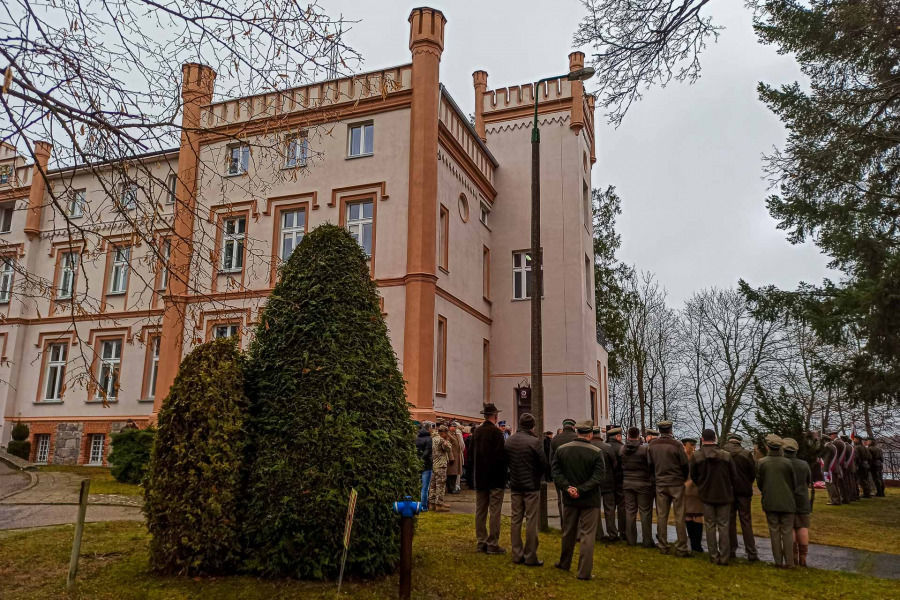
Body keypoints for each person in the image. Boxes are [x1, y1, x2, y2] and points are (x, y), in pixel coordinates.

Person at [551, 420, 605, 581]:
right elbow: (599, 476)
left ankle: (564, 563)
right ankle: (584, 571)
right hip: (590, 499)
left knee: (568, 532)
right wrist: (581, 489)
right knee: (587, 535)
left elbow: (556, 472)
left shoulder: (562, 450)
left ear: (577, 432)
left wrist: (568, 488)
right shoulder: (596, 452)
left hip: (569, 498)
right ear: (589, 434)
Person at [505, 412, 549, 567]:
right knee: (531, 520)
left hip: (516, 484)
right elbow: (543, 464)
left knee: (516, 519)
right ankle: (530, 555)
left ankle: (517, 553)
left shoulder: (509, 441)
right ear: (532, 426)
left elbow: (506, 462)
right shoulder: (535, 442)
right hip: (531, 485)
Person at [690, 429, 736, 565]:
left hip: (706, 494)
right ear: (715, 438)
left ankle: (713, 555)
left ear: (702, 439)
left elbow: (693, 475)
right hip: (724, 494)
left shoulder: (697, 456)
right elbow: (734, 476)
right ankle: (725, 557)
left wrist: (702, 485)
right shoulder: (726, 456)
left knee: (710, 525)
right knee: (723, 525)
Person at [647, 420, 690, 557]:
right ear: (670, 430)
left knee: (662, 516)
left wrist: (656, 478)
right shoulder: (677, 445)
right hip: (676, 483)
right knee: (679, 516)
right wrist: (682, 478)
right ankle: (681, 547)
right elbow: (685, 464)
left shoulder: (652, 445)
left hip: (660, 483)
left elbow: (650, 465)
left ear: (660, 430)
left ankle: (663, 544)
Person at [757, 434, 797, 568]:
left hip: (770, 500)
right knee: (787, 532)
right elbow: (793, 483)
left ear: (768, 447)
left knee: (774, 531)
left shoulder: (762, 462)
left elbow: (760, 483)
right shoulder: (788, 463)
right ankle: (790, 562)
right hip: (787, 501)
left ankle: (778, 561)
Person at [473, 403, 508, 554]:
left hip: (480, 477)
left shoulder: (477, 432)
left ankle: (481, 541)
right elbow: (502, 457)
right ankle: (492, 543)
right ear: (495, 416)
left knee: (480, 510)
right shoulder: (497, 433)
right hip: (495, 478)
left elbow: (472, 457)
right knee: (494, 511)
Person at [723, 433, 759, 561]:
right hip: (743, 491)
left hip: (728, 491)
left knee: (729, 521)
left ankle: (731, 549)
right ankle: (751, 552)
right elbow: (752, 473)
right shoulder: (746, 454)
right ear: (739, 442)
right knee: (746, 521)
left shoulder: (722, 453)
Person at [621, 426, 654, 548]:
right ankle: (647, 540)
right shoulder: (645, 450)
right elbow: (650, 465)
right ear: (638, 435)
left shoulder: (622, 449)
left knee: (630, 511)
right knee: (645, 512)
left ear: (628, 435)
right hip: (643, 484)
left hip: (627, 483)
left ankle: (631, 540)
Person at [783, 437, 812, 567]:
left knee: (790, 528)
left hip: (786, 498)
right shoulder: (804, 464)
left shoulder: (782, 463)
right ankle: (803, 557)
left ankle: (793, 556)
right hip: (802, 498)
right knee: (803, 527)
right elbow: (808, 481)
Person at [591, 426, 619, 542]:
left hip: (593, 483)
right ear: (600, 435)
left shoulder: (588, 447)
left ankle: (598, 533)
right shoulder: (608, 448)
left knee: (595, 509)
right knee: (610, 509)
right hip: (608, 482)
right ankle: (612, 533)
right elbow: (615, 465)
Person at [551, 419, 578, 524]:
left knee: (561, 499)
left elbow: (551, 460)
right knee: (575, 498)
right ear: (573, 427)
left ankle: (564, 523)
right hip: (575, 474)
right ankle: (575, 524)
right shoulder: (577, 438)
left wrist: (554, 474)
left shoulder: (555, 439)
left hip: (559, 474)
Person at [682, 437, 705, 553]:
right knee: (694, 516)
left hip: (689, 489)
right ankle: (696, 544)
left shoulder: (683, 458)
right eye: (692, 445)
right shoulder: (698, 457)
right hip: (694, 489)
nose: (693, 447)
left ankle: (695, 543)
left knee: (692, 515)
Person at [607, 426, 627, 541]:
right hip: (620, 481)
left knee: (609, 508)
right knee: (621, 507)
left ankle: (611, 532)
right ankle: (622, 531)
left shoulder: (605, 447)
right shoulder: (622, 448)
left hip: (608, 481)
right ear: (618, 436)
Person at [430, 425, 453, 512]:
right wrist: (446, 439)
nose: (447, 434)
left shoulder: (433, 438)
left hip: (434, 464)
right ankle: (439, 504)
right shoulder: (441, 440)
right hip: (441, 465)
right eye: (446, 433)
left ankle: (431, 503)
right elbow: (448, 448)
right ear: (443, 432)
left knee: (433, 485)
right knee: (440, 485)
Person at [416, 421, 434, 511]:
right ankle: (423, 506)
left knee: (418, 485)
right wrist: (422, 460)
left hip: (417, 464)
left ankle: (417, 504)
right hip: (426, 464)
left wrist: (417, 461)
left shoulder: (416, 437)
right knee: (425, 487)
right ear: (429, 428)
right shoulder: (429, 438)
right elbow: (427, 452)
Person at [823, 431, 843, 505]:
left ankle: (835, 500)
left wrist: (825, 470)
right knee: (834, 484)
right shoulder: (833, 446)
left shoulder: (827, 447)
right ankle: (838, 499)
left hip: (829, 469)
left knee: (830, 485)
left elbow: (827, 459)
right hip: (834, 467)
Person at [446, 421, 463, 495]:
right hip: (452, 457)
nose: (455, 428)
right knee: (451, 474)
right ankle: (451, 489)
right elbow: (448, 448)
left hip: (456, 457)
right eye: (453, 426)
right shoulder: (448, 435)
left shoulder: (455, 434)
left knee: (455, 474)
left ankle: (452, 488)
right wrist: (451, 457)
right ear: (449, 427)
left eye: (455, 426)